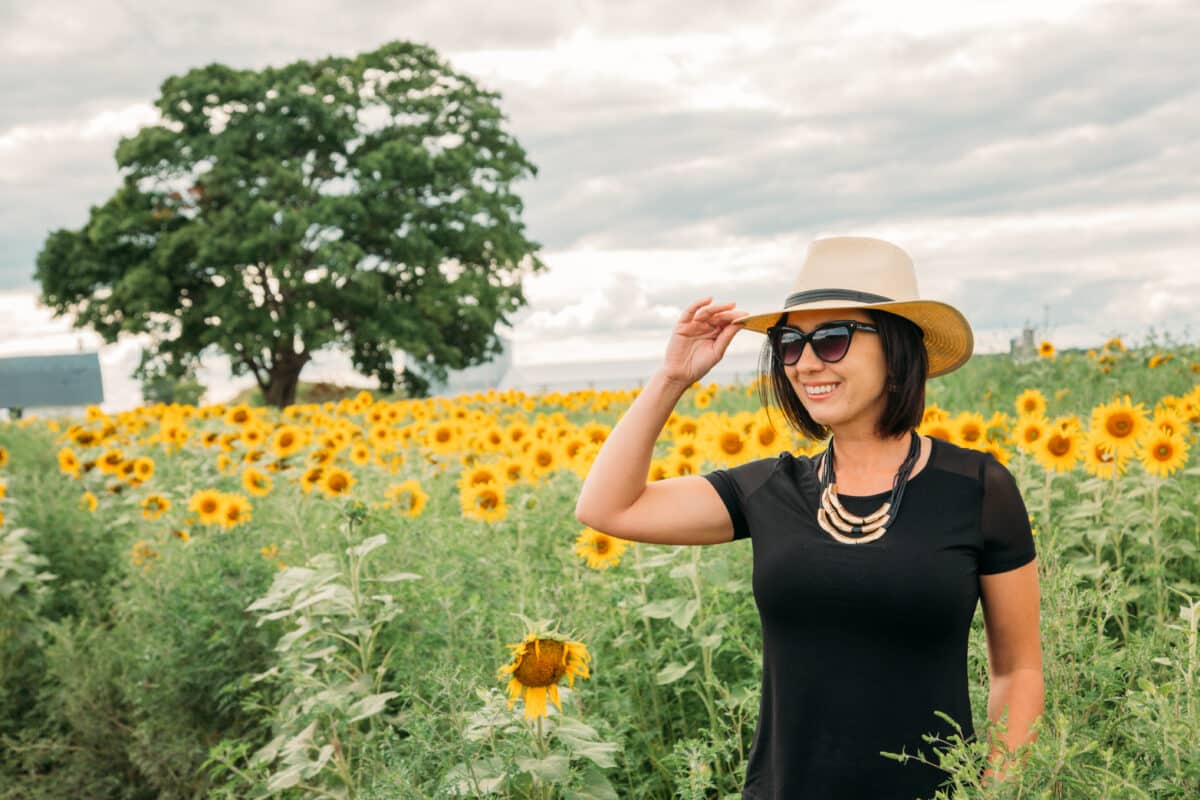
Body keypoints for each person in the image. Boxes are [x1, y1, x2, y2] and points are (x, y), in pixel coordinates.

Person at [575, 236, 1043, 799]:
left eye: (833, 338)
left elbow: (1018, 671)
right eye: (790, 344)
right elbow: (607, 507)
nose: (807, 362)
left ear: (898, 350)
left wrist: (995, 790)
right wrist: (672, 377)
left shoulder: (975, 488)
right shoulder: (772, 489)